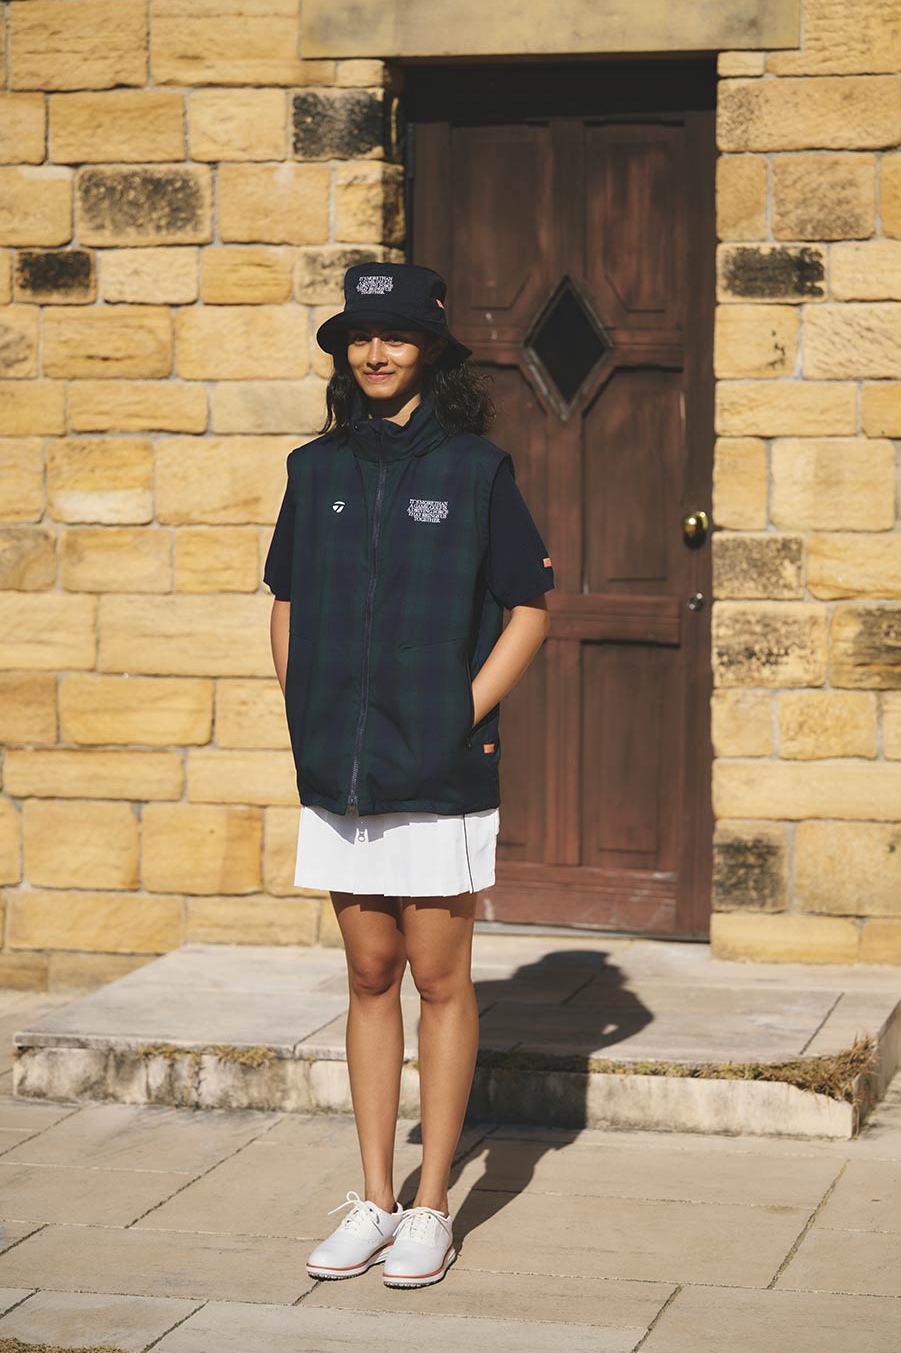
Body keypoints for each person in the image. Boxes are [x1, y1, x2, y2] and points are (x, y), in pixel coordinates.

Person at [263, 260, 555, 1289]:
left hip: (436, 770)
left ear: (430, 349)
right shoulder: (314, 470)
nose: (375, 351)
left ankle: (432, 1206)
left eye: (393, 335)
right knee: (367, 973)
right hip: (340, 770)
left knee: (438, 976)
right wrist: (306, 709)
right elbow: (286, 602)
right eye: (359, 335)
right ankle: (374, 1199)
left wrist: (454, 713)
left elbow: (529, 609)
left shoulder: (476, 470)